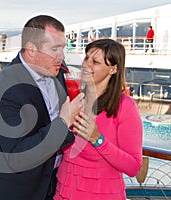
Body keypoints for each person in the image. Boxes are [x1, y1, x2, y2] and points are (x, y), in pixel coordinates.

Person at [0, 15, 84, 200]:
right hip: (14, 192)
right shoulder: (4, 88)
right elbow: (18, 155)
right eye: (55, 49)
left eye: (62, 48)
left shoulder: (55, 67)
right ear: (31, 49)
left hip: (51, 188)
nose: (62, 56)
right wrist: (64, 121)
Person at [54, 39, 143, 200]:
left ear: (113, 69)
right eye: (86, 58)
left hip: (101, 194)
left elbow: (133, 167)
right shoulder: (74, 99)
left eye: (95, 61)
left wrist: (98, 139)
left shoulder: (125, 107)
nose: (86, 65)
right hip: (64, 191)